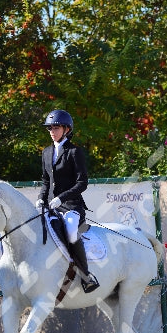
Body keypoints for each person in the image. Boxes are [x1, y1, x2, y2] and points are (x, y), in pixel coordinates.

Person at [35, 109, 100, 293]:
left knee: (71, 232)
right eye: (49, 129)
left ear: (66, 129)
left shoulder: (74, 152)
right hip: (51, 206)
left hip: (71, 206)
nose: (52, 132)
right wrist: (41, 198)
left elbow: (82, 183)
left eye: (55, 128)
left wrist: (61, 198)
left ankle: (86, 276)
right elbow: (46, 181)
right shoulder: (46, 152)